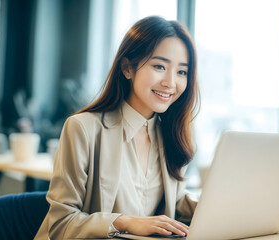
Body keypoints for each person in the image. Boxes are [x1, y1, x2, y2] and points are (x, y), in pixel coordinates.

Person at [34, 15, 200, 240]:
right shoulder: (82, 129)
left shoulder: (171, 135)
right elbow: (61, 224)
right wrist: (126, 222)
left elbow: (176, 201)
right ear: (128, 68)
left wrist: (215, 209)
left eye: (181, 71)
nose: (171, 82)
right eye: (159, 66)